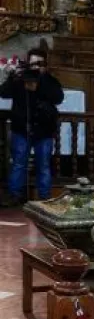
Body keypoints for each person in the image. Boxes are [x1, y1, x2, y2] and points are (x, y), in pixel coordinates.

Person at [0, 48, 64, 205]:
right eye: (33, 64)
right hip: (21, 129)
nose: (36, 67)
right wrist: (12, 76)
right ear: (28, 63)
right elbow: (3, 92)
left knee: (43, 165)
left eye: (40, 64)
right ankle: (15, 195)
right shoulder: (20, 78)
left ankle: (45, 198)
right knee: (18, 163)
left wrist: (41, 81)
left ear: (45, 65)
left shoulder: (50, 80)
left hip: (44, 130)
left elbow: (58, 97)